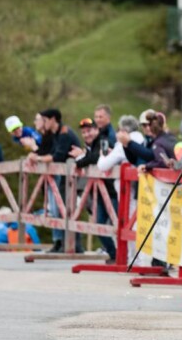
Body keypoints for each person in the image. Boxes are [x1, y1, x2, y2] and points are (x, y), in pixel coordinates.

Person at [28, 109, 81, 253]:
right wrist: (36, 154)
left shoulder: (64, 133)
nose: (43, 122)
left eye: (45, 120)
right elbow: (49, 152)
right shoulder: (55, 134)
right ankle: (61, 242)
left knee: (65, 210)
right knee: (59, 210)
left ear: (53, 119)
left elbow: (57, 156)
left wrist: (38, 158)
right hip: (64, 177)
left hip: (71, 177)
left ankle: (72, 244)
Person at [70, 117, 118, 261]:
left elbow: (97, 157)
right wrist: (83, 157)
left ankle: (125, 256)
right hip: (99, 192)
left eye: (89, 131)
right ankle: (114, 255)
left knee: (118, 224)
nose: (87, 134)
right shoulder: (89, 146)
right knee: (98, 224)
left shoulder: (103, 141)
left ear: (97, 130)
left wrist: (80, 160)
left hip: (112, 191)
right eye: (84, 132)